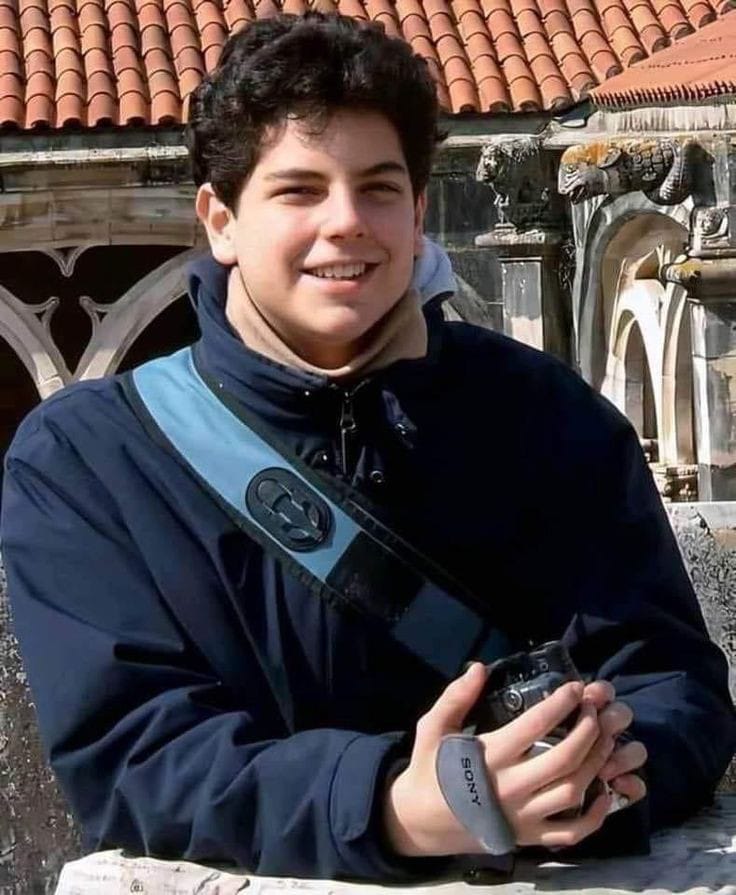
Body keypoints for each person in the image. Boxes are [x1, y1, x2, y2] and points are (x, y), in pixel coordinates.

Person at [1, 12, 734, 884]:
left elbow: (671, 681)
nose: (346, 222)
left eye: (379, 188)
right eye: (299, 190)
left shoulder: (549, 417)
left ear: (418, 213)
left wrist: (597, 775)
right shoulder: (87, 461)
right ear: (220, 220)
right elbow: (133, 753)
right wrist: (391, 805)